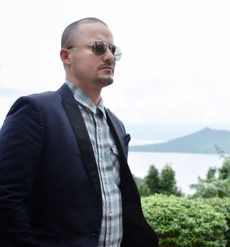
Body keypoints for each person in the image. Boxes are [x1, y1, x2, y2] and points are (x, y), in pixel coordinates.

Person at [0, 17, 159, 247]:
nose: (109, 56)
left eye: (113, 50)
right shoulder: (37, 112)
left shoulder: (116, 124)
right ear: (66, 56)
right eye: (98, 47)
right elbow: (6, 197)